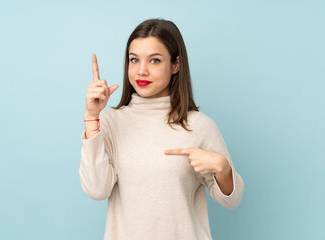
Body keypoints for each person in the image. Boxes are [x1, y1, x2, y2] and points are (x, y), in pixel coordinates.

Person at [79, 18, 244, 240]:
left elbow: (231, 200)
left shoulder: (198, 125)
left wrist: (223, 169)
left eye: (155, 61)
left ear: (176, 65)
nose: (142, 71)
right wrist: (91, 117)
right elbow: (97, 190)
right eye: (134, 60)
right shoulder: (109, 122)